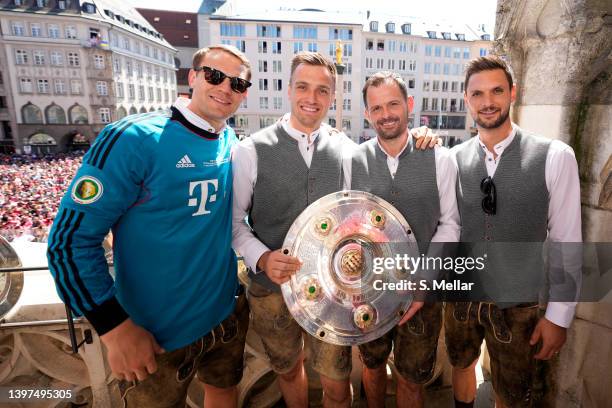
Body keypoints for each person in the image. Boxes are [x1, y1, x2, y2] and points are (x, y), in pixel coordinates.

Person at [47, 44, 252, 408]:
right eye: (215, 76)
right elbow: (69, 243)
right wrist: (114, 327)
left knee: (224, 393)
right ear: (192, 77)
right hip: (154, 334)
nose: (225, 88)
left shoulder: (230, 141)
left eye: (237, 83)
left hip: (224, 313)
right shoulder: (133, 138)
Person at [447, 55, 581, 408]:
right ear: (466, 100)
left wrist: (559, 316)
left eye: (496, 91)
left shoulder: (555, 156)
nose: (487, 102)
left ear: (512, 93)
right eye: (477, 94)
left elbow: (568, 240)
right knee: (462, 365)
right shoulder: (452, 159)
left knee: (512, 393)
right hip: (463, 295)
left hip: (519, 305)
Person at [232, 51, 354, 408]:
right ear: (289, 90)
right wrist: (262, 257)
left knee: (337, 381)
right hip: (272, 290)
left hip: (333, 293)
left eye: (322, 90)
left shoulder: (347, 151)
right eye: (303, 87)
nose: (311, 98)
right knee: (287, 371)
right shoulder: (250, 150)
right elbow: (234, 222)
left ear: (332, 97)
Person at [348, 71, 460, 408]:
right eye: (377, 107)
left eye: (393, 104)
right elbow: (347, 223)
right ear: (367, 113)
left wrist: (424, 284)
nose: (386, 114)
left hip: (422, 295)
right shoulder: (352, 160)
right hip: (369, 290)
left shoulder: (441, 158)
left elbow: (450, 225)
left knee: (413, 379)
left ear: (409, 105)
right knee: (372, 367)